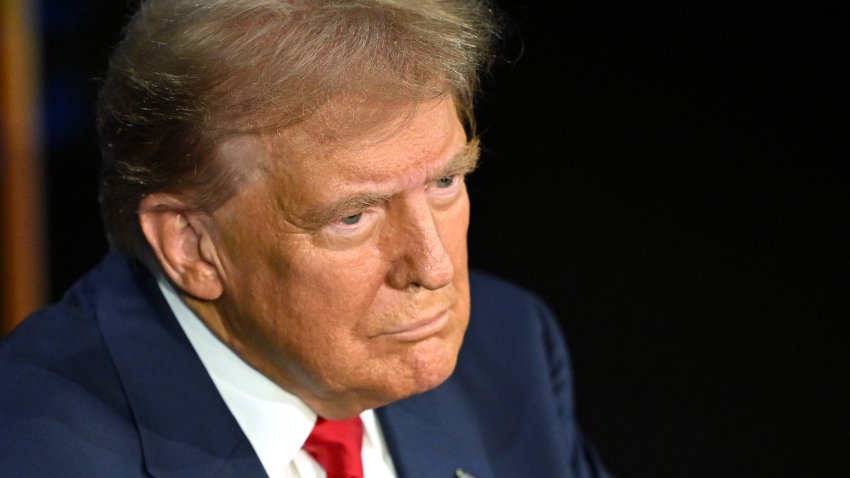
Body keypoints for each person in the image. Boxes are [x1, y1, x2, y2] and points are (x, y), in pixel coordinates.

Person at [0, 0, 611, 476]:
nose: (432, 267)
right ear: (192, 245)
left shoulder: (506, 351)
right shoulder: (35, 448)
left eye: (446, 181)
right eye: (353, 217)